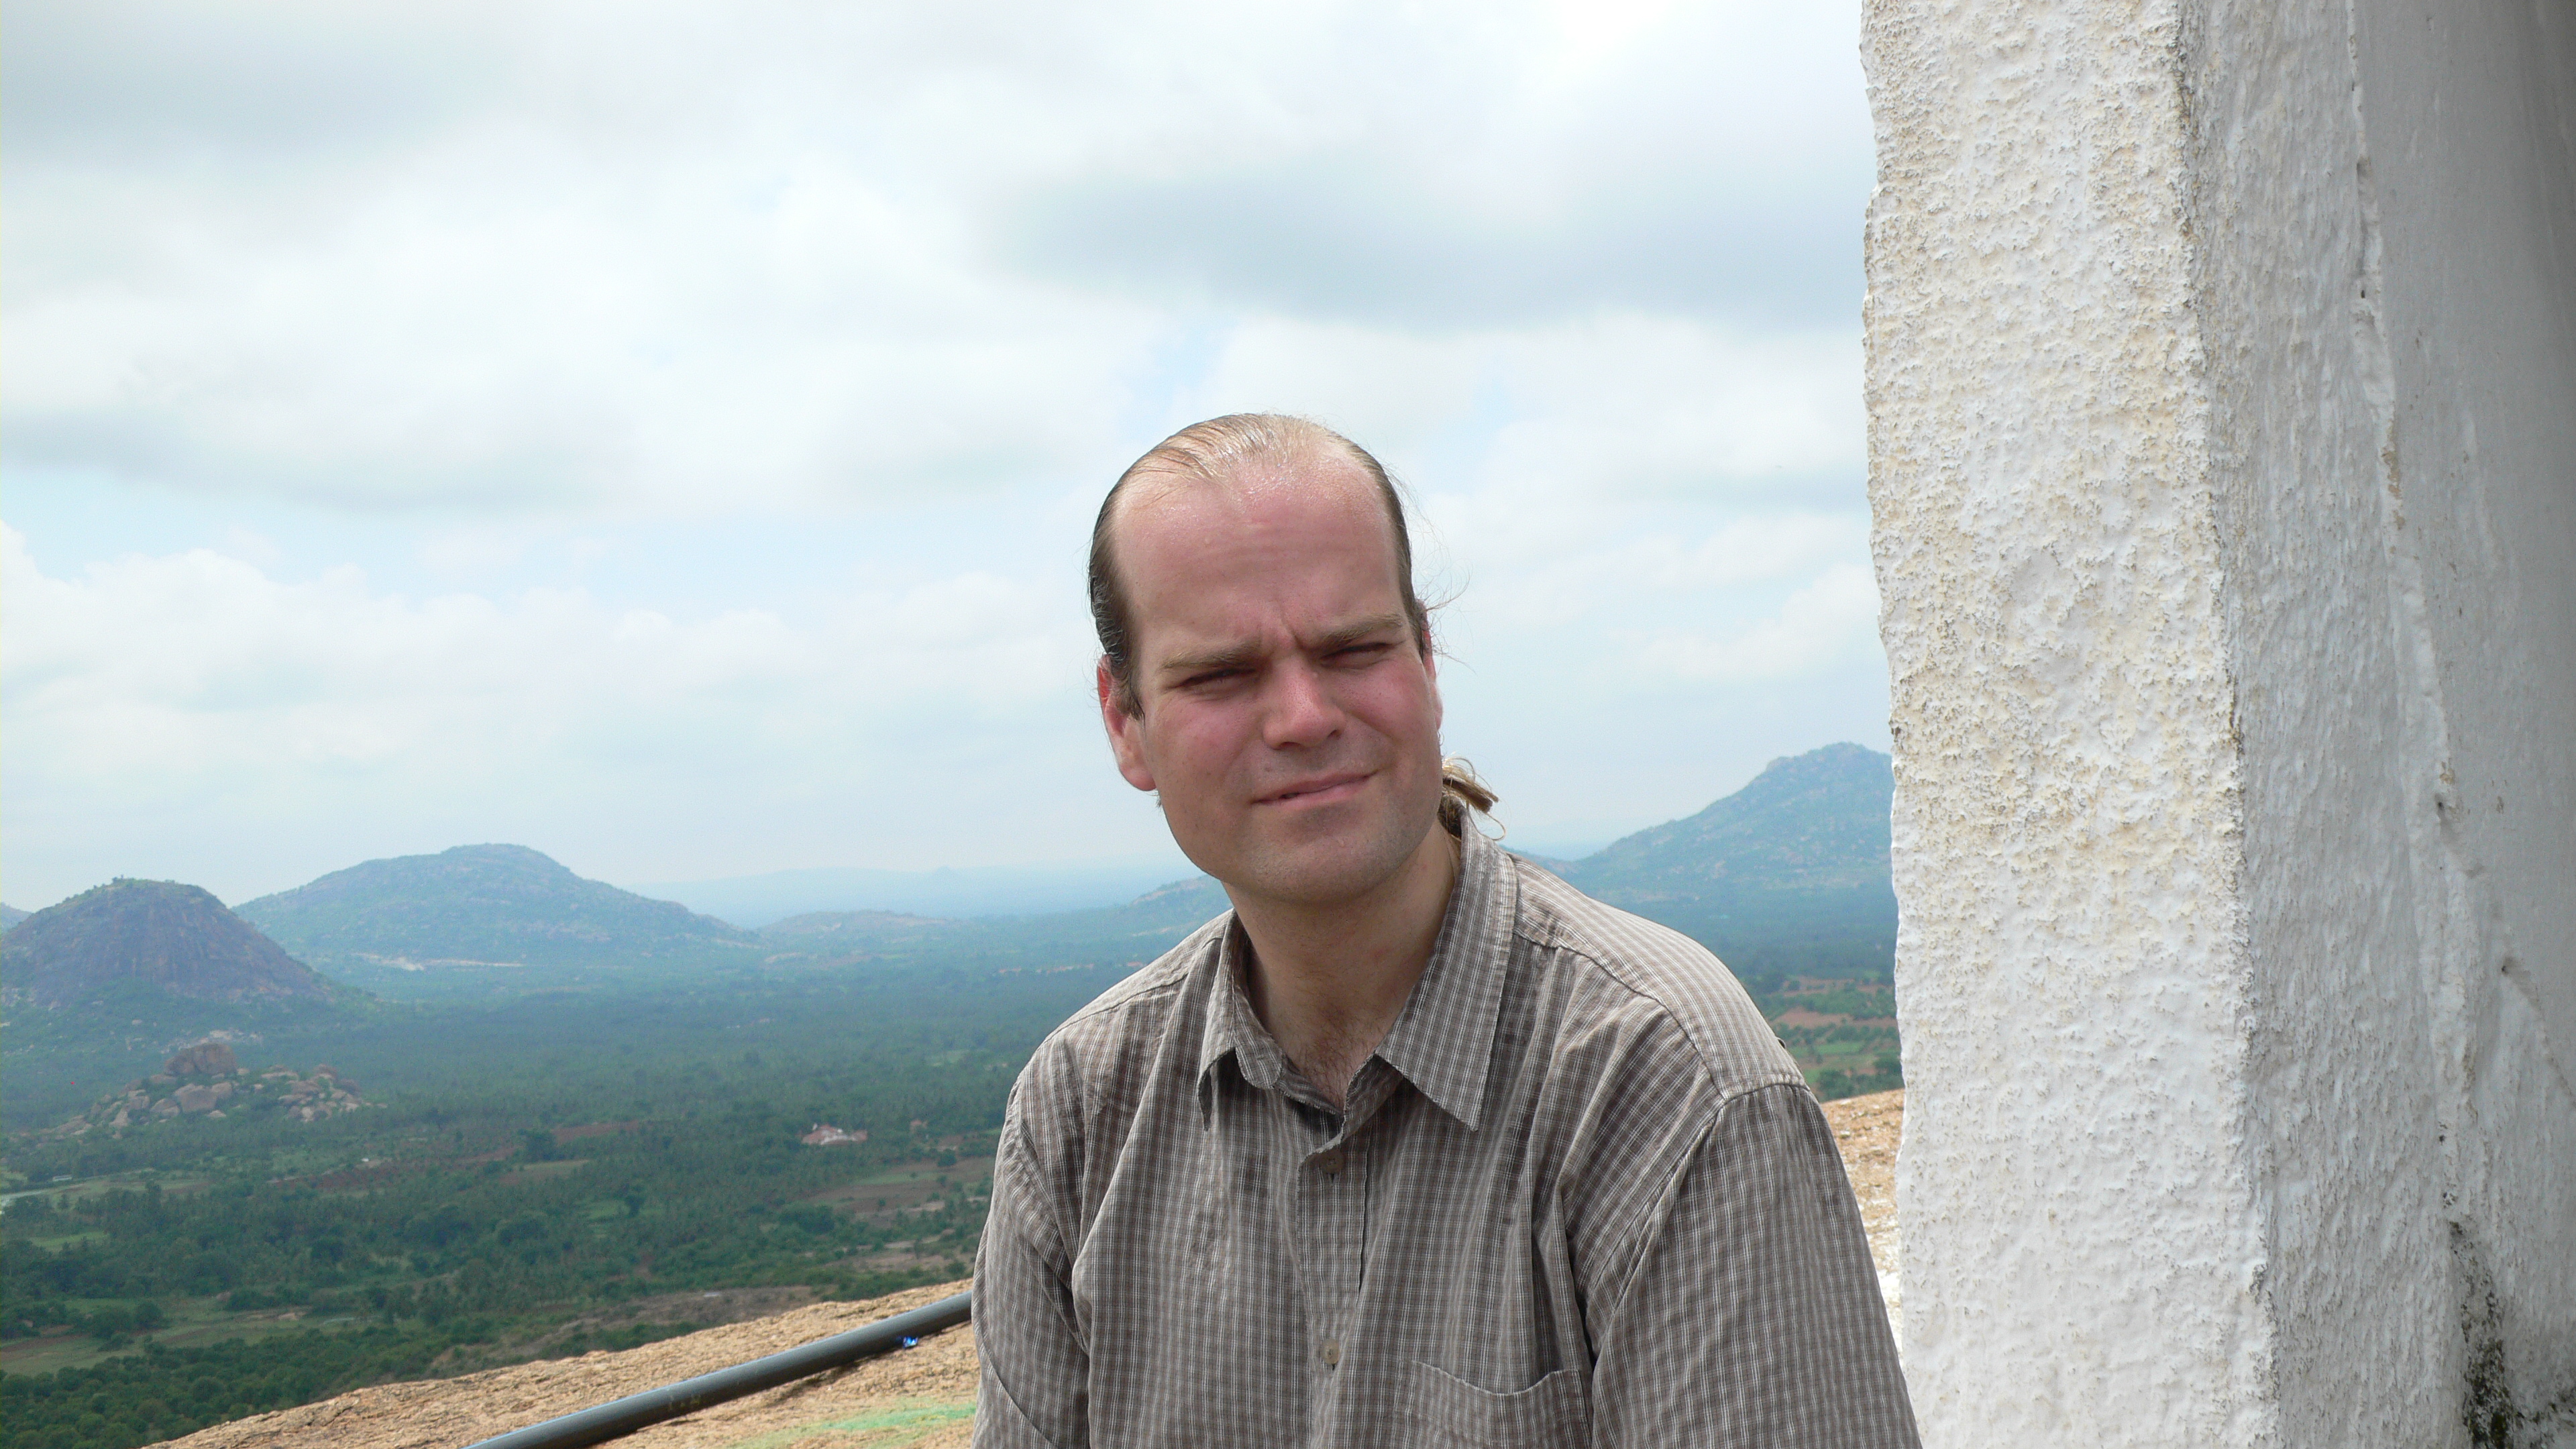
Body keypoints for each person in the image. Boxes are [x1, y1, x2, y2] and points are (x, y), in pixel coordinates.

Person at [973, 413, 1917, 1447]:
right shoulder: (1080, 1112)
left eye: (1352, 648)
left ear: (1425, 660)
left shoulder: (1659, 1082)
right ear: (1124, 720)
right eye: (1222, 675)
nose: (1303, 716)